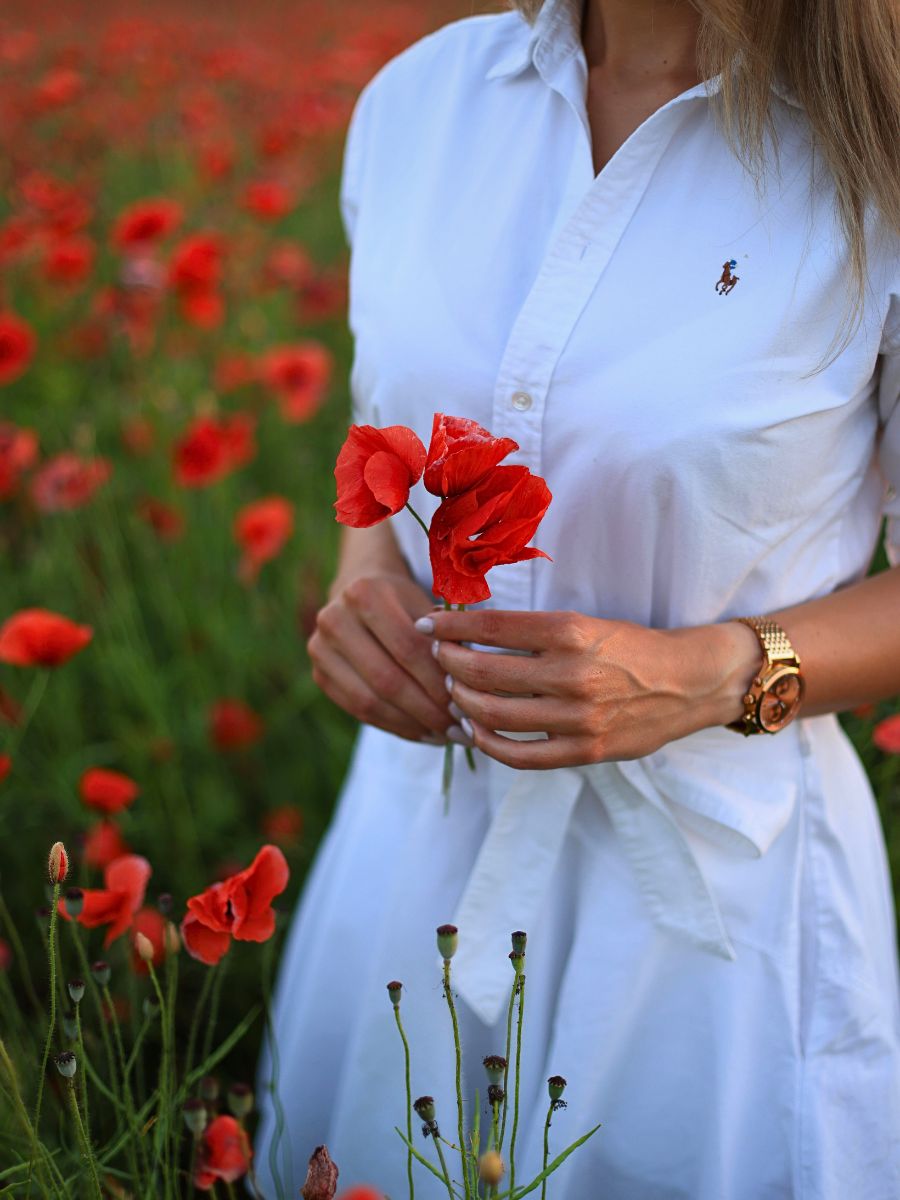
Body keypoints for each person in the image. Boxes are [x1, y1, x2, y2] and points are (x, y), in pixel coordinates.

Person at [252, 0, 900, 1195]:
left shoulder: (877, 143)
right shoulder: (419, 105)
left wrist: (707, 675)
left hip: (712, 919)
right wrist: (364, 583)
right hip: (415, 860)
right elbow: (385, 423)